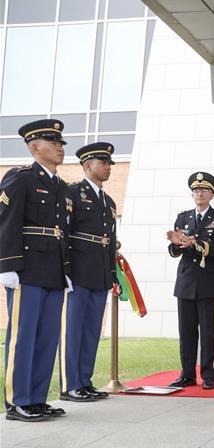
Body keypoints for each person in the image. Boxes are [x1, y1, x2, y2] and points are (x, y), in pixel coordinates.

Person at [1, 119, 71, 421]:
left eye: (60, 143)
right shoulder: (21, 178)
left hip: (53, 271)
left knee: (47, 336)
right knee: (24, 336)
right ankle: (18, 401)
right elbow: (6, 223)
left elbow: (61, 232)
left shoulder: (60, 186)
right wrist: (6, 266)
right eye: (52, 142)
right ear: (34, 147)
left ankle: (37, 398)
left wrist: (66, 271)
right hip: (26, 271)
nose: (59, 147)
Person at [60, 142, 119, 402]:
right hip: (78, 271)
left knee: (92, 330)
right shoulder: (72, 193)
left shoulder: (109, 201)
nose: (107, 167)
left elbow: (109, 239)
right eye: (103, 162)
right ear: (87, 165)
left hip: (99, 273)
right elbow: (64, 235)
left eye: (109, 163)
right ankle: (70, 384)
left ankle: (84, 381)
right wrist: (65, 270)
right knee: (73, 330)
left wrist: (111, 273)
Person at [166, 172, 214, 390]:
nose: (199, 193)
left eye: (203, 190)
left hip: (208, 280)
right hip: (185, 279)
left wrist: (195, 244)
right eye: (195, 190)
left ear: (211, 194)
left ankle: (208, 375)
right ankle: (187, 374)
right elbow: (174, 251)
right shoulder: (182, 217)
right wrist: (177, 244)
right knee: (186, 331)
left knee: (209, 332)